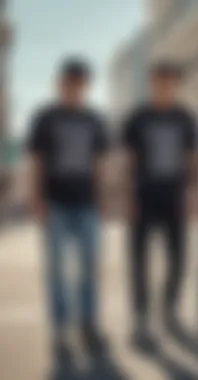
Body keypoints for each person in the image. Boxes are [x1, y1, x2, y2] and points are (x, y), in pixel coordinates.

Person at [27, 58, 109, 358]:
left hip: (87, 204)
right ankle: (60, 332)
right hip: (56, 205)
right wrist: (36, 200)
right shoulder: (45, 117)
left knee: (89, 269)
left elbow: (100, 163)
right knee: (57, 273)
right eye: (69, 82)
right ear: (60, 83)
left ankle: (88, 325)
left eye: (80, 83)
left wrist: (101, 201)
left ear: (85, 86)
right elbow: (36, 161)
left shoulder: (94, 119)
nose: (74, 87)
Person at [121, 62, 198, 347]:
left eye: (169, 81)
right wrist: (127, 196)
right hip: (143, 197)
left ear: (176, 84)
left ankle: (170, 311)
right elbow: (129, 161)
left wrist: (193, 192)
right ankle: (141, 316)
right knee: (139, 259)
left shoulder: (186, 117)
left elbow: (192, 160)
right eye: (159, 81)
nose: (164, 85)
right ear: (151, 82)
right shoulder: (138, 117)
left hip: (174, 197)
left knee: (177, 257)